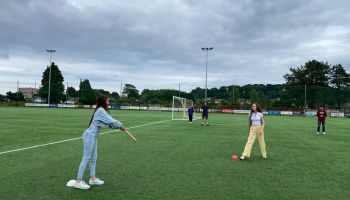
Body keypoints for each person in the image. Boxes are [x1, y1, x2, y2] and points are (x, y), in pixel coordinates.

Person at [72, 96, 127, 190]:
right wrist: (120, 125)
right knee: (86, 158)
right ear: (103, 101)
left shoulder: (101, 111)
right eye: (107, 101)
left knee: (93, 158)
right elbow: (111, 120)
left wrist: (119, 127)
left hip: (93, 135)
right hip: (90, 135)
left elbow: (108, 124)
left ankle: (92, 179)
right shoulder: (101, 110)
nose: (108, 102)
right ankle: (78, 181)